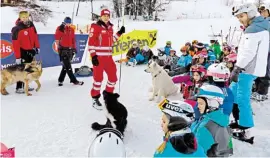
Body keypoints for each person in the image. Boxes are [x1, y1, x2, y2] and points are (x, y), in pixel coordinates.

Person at [230, 4, 269, 135]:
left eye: (241, 16)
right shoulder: (258, 27)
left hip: (247, 69)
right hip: (250, 67)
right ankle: (238, 119)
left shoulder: (254, 29)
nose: (240, 19)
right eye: (238, 17)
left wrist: (237, 67)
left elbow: (249, 52)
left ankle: (245, 128)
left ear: (250, 13)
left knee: (242, 98)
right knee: (233, 92)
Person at [88, 9, 125, 109]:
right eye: (104, 15)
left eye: (107, 15)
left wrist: (119, 33)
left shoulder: (110, 27)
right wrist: (93, 56)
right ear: (100, 16)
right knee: (98, 79)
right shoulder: (95, 27)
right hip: (99, 58)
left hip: (108, 58)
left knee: (113, 78)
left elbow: (111, 41)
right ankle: (95, 99)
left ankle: (108, 96)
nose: (106, 17)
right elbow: (91, 43)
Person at [191, 85, 233, 157]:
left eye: (201, 103)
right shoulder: (221, 120)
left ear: (212, 104)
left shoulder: (205, 127)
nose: (198, 106)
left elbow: (196, 153)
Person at [11, 11, 40, 94]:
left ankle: (26, 85)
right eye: (23, 17)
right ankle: (19, 87)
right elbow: (15, 44)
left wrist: (37, 46)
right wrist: (18, 57)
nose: (25, 19)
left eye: (26, 17)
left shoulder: (31, 25)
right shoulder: (16, 29)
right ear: (20, 18)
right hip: (22, 51)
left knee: (28, 69)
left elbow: (35, 37)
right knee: (21, 69)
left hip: (30, 50)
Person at [55, 17, 84, 86]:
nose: (68, 24)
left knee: (65, 66)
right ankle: (74, 81)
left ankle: (60, 80)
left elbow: (73, 40)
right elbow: (57, 39)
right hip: (63, 50)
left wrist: (74, 49)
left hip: (70, 50)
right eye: (67, 22)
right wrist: (59, 48)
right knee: (68, 66)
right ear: (64, 22)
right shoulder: (60, 28)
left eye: (69, 23)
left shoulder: (71, 29)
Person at [251, 5, 270, 101]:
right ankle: (257, 89)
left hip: (267, 51)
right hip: (259, 50)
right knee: (257, 70)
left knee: (265, 71)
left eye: (264, 11)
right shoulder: (259, 23)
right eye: (261, 11)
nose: (263, 13)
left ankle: (263, 92)